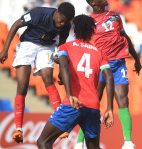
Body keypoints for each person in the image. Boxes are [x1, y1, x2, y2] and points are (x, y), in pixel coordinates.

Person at [76, 0, 142, 149]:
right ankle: (79, 141)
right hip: (100, 64)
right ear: (92, 2)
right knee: (93, 101)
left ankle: (127, 142)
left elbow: (124, 36)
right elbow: (82, 45)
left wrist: (136, 58)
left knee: (123, 98)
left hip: (119, 62)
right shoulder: (89, 22)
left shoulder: (115, 16)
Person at [0, 2, 75, 143]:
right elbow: (16, 24)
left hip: (46, 48)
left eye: (66, 22)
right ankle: (18, 129)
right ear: (57, 12)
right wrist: (5, 50)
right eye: (62, 20)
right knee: (22, 84)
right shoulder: (38, 13)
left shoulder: (66, 25)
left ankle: (60, 123)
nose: (62, 23)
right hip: (27, 44)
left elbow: (62, 43)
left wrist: (61, 64)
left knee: (48, 79)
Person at [37, 14, 115, 149]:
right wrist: (109, 108)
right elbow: (109, 77)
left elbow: (64, 67)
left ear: (75, 29)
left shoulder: (65, 47)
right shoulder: (99, 52)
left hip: (73, 103)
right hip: (93, 106)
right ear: (92, 31)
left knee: (43, 142)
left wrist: (70, 94)